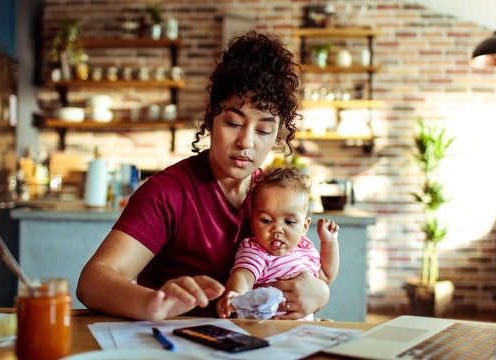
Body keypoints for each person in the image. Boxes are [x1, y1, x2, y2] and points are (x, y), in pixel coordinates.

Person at [77, 30, 330, 321]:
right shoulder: (169, 192)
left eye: (263, 130)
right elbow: (93, 282)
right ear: (211, 116)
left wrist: (320, 293)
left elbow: (301, 267)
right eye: (234, 123)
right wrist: (153, 303)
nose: (246, 142)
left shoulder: (274, 196)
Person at [216, 166, 339, 320]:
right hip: (265, 328)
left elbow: (326, 276)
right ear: (253, 224)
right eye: (266, 220)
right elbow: (243, 276)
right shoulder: (256, 250)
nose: (277, 229)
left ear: (304, 227)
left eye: (290, 222)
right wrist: (235, 296)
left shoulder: (305, 248)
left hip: (301, 331)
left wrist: (329, 242)